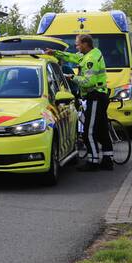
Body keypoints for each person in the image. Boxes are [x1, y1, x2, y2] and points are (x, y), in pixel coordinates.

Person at [46, 34, 113, 171]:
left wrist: (72, 77)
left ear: (85, 43)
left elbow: (89, 81)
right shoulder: (91, 53)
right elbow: (72, 57)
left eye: (77, 44)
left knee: (89, 131)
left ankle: (93, 161)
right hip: (99, 96)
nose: (76, 47)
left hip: (95, 96)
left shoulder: (91, 59)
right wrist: (55, 53)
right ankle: (108, 159)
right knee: (101, 129)